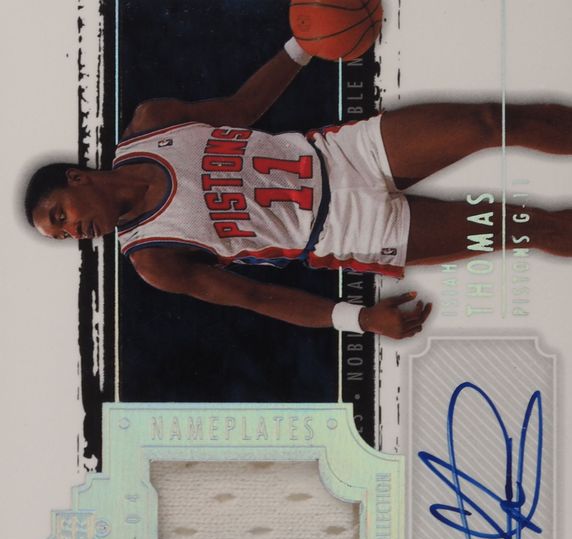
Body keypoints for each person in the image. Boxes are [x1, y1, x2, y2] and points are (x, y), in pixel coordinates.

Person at [25, 38, 572, 339]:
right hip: (351, 231)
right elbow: (256, 297)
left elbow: (242, 109)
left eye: (60, 216)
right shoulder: (152, 259)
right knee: (529, 228)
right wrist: (359, 319)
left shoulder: (153, 123)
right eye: (62, 236)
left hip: (342, 154)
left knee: (487, 120)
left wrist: (303, 45)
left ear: (76, 177)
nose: (73, 232)